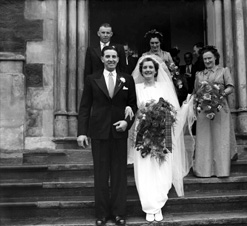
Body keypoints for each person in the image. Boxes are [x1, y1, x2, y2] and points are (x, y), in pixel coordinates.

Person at [77, 46, 137, 226]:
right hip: (99, 132)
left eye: (114, 57)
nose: (111, 59)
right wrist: (82, 132)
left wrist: (127, 122)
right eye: (108, 56)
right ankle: (101, 214)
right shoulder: (92, 79)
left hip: (119, 133)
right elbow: (85, 107)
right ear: (102, 59)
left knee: (119, 174)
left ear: (118, 59)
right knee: (101, 174)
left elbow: (133, 105)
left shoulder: (127, 79)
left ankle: (119, 213)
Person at [129, 55, 192, 222]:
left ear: (156, 70)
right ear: (141, 71)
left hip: (162, 132)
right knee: (145, 168)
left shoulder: (164, 86)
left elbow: (172, 110)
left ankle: (159, 202)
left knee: (161, 166)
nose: (148, 70)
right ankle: (149, 206)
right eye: (145, 68)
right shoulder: (136, 88)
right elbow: (134, 110)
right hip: (143, 132)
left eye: (151, 67)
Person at [193, 45, 237, 178]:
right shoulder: (199, 74)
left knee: (220, 137)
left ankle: (221, 170)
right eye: (205, 59)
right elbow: (195, 92)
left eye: (209, 58)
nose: (207, 61)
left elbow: (231, 87)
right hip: (204, 111)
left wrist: (219, 94)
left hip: (220, 108)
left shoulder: (224, 71)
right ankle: (204, 170)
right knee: (204, 139)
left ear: (215, 58)